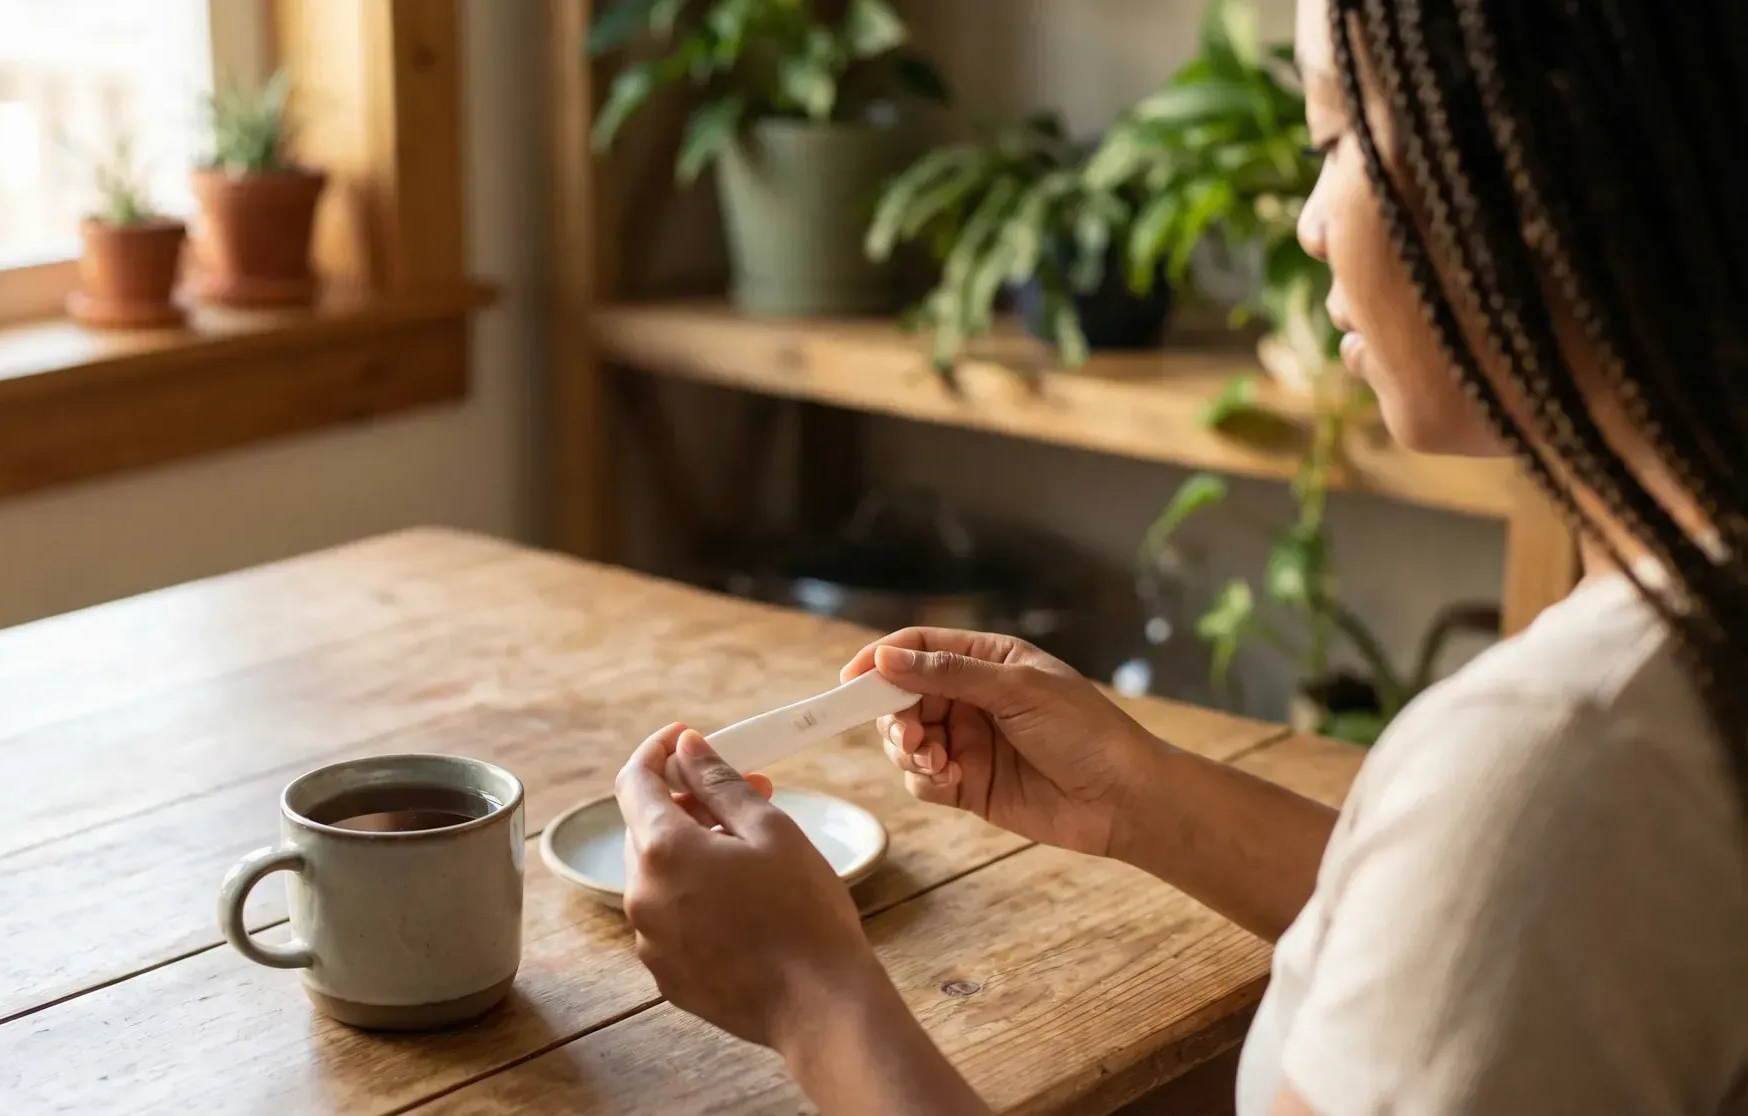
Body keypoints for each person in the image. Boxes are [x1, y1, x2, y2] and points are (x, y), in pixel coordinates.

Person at [612, 0, 1748, 1112]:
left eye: (1334, 140)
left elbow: (1525, 852)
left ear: (1531, 158)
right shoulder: (1649, 675)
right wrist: (1141, 796)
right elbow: (1495, 940)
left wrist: (812, 998)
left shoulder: (1569, 749)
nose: (1307, 223)